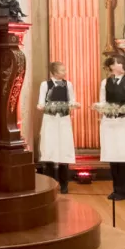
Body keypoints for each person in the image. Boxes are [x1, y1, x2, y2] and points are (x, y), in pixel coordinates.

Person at [98, 53, 125, 200]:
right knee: (113, 155)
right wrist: (100, 108)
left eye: (122, 63)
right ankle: (116, 189)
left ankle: (124, 190)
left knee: (124, 156)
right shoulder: (105, 82)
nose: (122, 65)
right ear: (111, 66)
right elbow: (103, 101)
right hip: (110, 122)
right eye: (118, 63)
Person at [37, 61, 80, 193]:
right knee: (50, 149)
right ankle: (50, 184)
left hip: (64, 120)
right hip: (50, 120)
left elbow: (71, 100)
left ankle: (64, 184)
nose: (65, 72)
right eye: (62, 70)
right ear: (54, 72)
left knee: (63, 149)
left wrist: (74, 105)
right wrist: (43, 106)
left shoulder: (69, 85)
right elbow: (40, 103)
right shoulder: (45, 85)